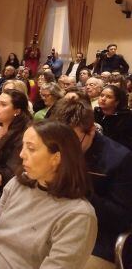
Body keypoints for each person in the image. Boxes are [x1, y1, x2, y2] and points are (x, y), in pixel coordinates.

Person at [0, 121, 97, 269]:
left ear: (56, 158)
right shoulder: (18, 183)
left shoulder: (78, 216)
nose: (22, 154)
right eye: (23, 146)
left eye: (31, 148)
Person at [52, 98, 132, 268]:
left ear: (92, 131)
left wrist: (82, 190)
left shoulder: (119, 159)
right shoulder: (55, 147)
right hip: (53, 224)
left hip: (97, 238)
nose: (65, 149)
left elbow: (122, 218)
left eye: (73, 141)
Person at [94, 85, 132, 150]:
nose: (103, 99)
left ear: (117, 102)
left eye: (109, 97)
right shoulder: (95, 113)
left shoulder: (126, 118)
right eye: (101, 95)